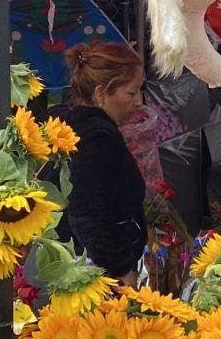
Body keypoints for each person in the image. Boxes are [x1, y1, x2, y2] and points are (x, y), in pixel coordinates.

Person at [53, 42, 149, 284]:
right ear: (100, 93)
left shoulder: (68, 125)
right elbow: (87, 213)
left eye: (140, 91)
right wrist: (121, 268)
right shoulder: (98, 138)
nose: (139, 101)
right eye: (131, 92)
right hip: (93, 274)